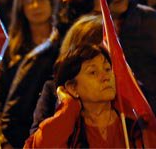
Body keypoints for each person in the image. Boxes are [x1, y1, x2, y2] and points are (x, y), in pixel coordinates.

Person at [25, 44, 156, 148]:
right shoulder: (70, 131)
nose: (105, 77)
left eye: (107, 69)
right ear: (72, 87)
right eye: (93, 72)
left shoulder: (135, 123)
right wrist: (68, 108)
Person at [0, 0, 58, 147]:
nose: (36, 6)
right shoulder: (11, 50)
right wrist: (3, 141)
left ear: (51, 2)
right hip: (19, 138)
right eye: (29, 1)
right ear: (21, 8)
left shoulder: (63, 44)